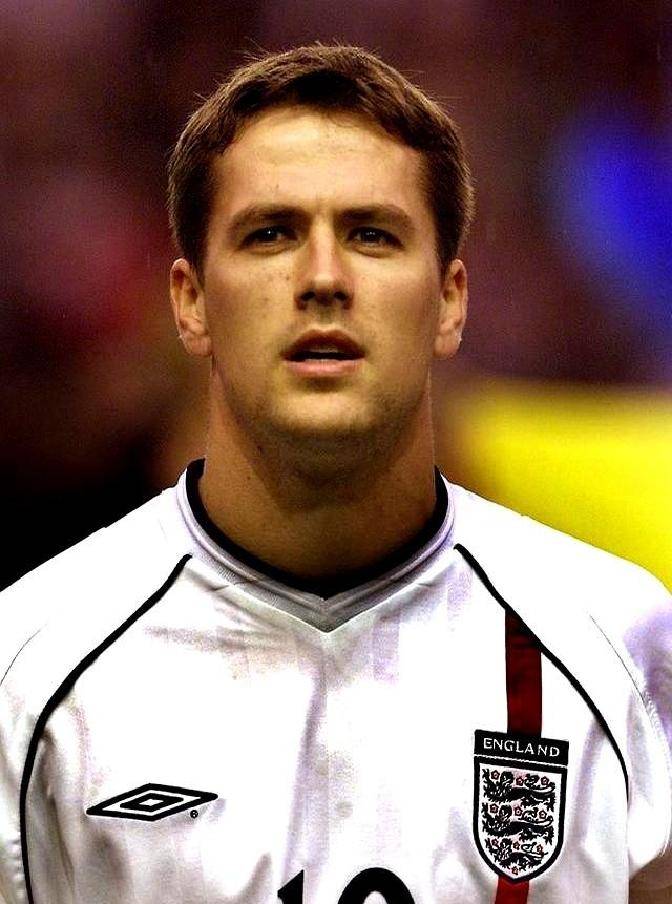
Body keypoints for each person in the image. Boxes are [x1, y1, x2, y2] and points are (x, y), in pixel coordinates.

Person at [0, 42, 670, 904]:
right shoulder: (30, 667)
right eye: (271, 234)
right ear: (191, 302)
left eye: (372, 235)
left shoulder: (625, 646)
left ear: (451, 300)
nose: (323, 278)